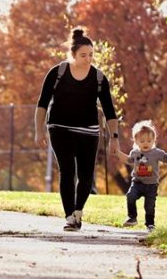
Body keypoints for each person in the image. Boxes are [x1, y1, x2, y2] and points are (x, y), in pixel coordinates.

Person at [34, 28, 120, 231]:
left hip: (89, 131)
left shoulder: (99, 78)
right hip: (60, 128)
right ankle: (69, 216)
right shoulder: (58, 73)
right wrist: (39, 130)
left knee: (87, 174)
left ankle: (78, 212)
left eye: (91, 55)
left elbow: (109, 110)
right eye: (83, 55)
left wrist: (114, 137)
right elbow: (42, 103)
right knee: (67, 171)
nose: (88, 59)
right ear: (72, 54)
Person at [116, 119, 167, 231]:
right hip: (137, 182)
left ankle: (150, 224)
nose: (146, 143)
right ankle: (132, 217)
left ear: (153, 140)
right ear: (136, 141)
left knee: (149, 206)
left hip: (151, 185)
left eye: (149, 140)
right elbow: (128, 160)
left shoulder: (156, 153)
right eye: (142, 141)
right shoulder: (135, 153)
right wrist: (117, 153)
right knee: (130, 196)